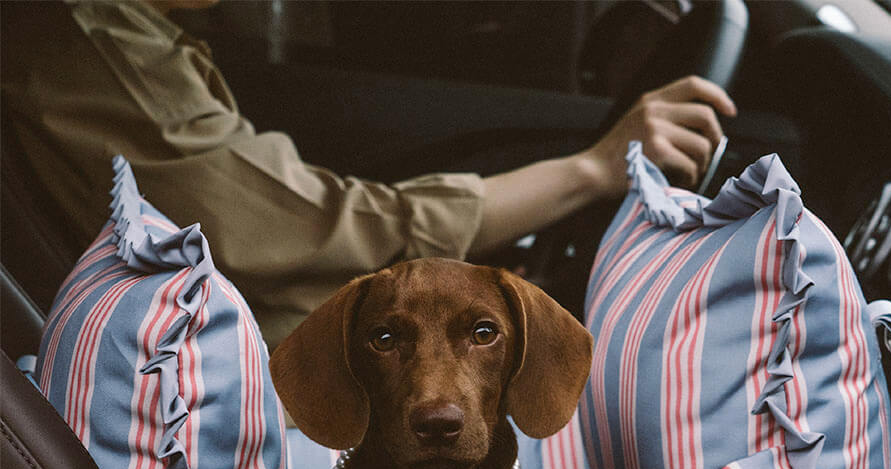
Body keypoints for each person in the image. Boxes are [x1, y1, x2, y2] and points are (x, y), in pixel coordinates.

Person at [2, 0, 736, 349]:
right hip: (258, 386)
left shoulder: (140, 31)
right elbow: (305, 222)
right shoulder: (89, 45)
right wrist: (587, 172)